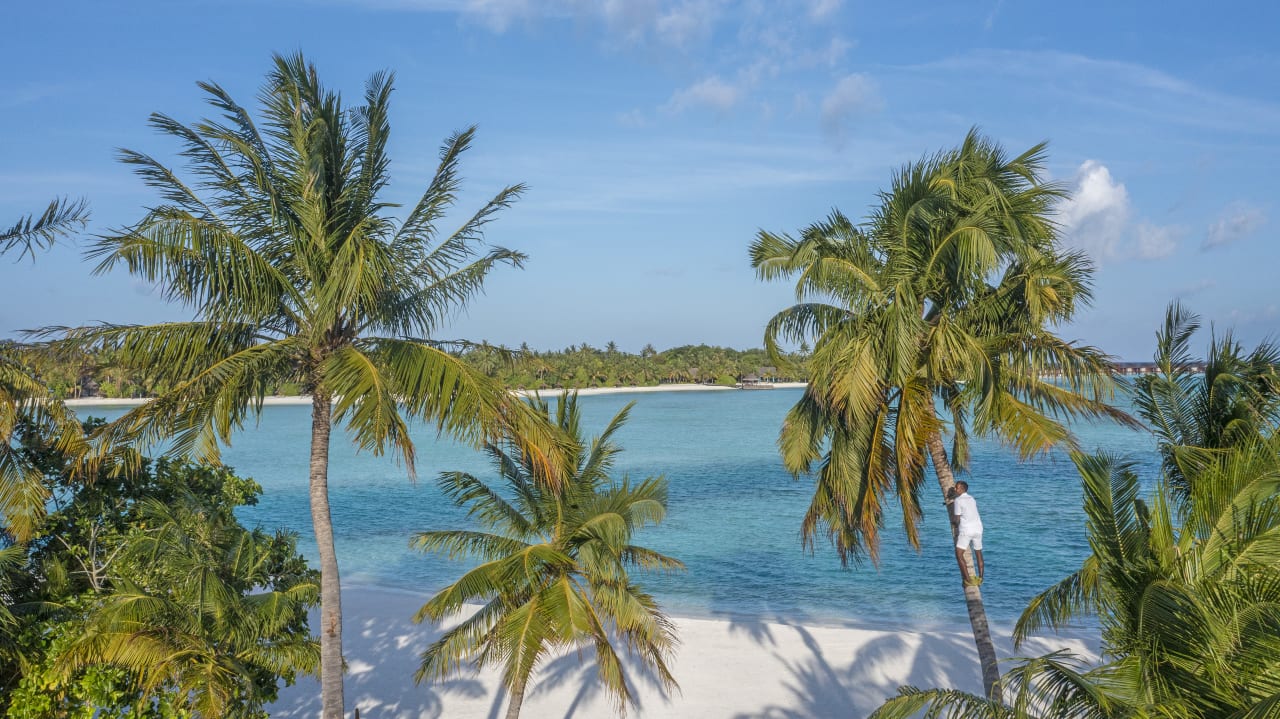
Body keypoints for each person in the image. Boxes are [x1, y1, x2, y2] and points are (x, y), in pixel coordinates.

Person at [949, 480, 984, 586]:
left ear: (961, 489)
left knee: (959, 554)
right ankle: (981, 578)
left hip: (967, 530)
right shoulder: (972, 499)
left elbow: (957, 519)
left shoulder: (958, 500)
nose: (955, 489)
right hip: (978, 528)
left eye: (956, 487)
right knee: (978, 553)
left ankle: (967, 580)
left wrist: (953, 522)